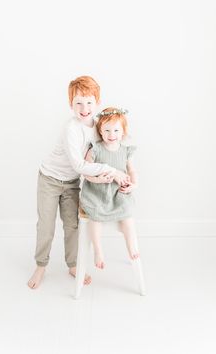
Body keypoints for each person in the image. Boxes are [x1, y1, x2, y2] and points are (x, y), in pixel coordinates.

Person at [27, 77, 129, 289]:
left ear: (97, 103)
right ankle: (40, 265)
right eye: (79, 103)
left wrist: (115, 175)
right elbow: (79, 165)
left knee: (72, 225)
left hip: (72, 183)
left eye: (89, 102)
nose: (84, 109)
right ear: (70, 105)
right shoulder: (71, 128)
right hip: (50, 179)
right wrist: (111, 171)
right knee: (46, 225)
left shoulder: (98, 127)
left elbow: (100, 155)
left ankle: (73, 265)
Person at [80, 107, 139, 269]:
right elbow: (85, 171)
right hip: (96, 192)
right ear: (100, 131)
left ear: (122, 132)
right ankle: (98, 250)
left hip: (117, 193)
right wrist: (97, 180)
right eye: (107, 130)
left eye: (116, 130)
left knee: (128, 217)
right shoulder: (96, 149)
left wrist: (134, 184)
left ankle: (130, 244)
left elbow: (132, 170)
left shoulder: (125, 151)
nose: (111, 134)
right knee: (95, 218)